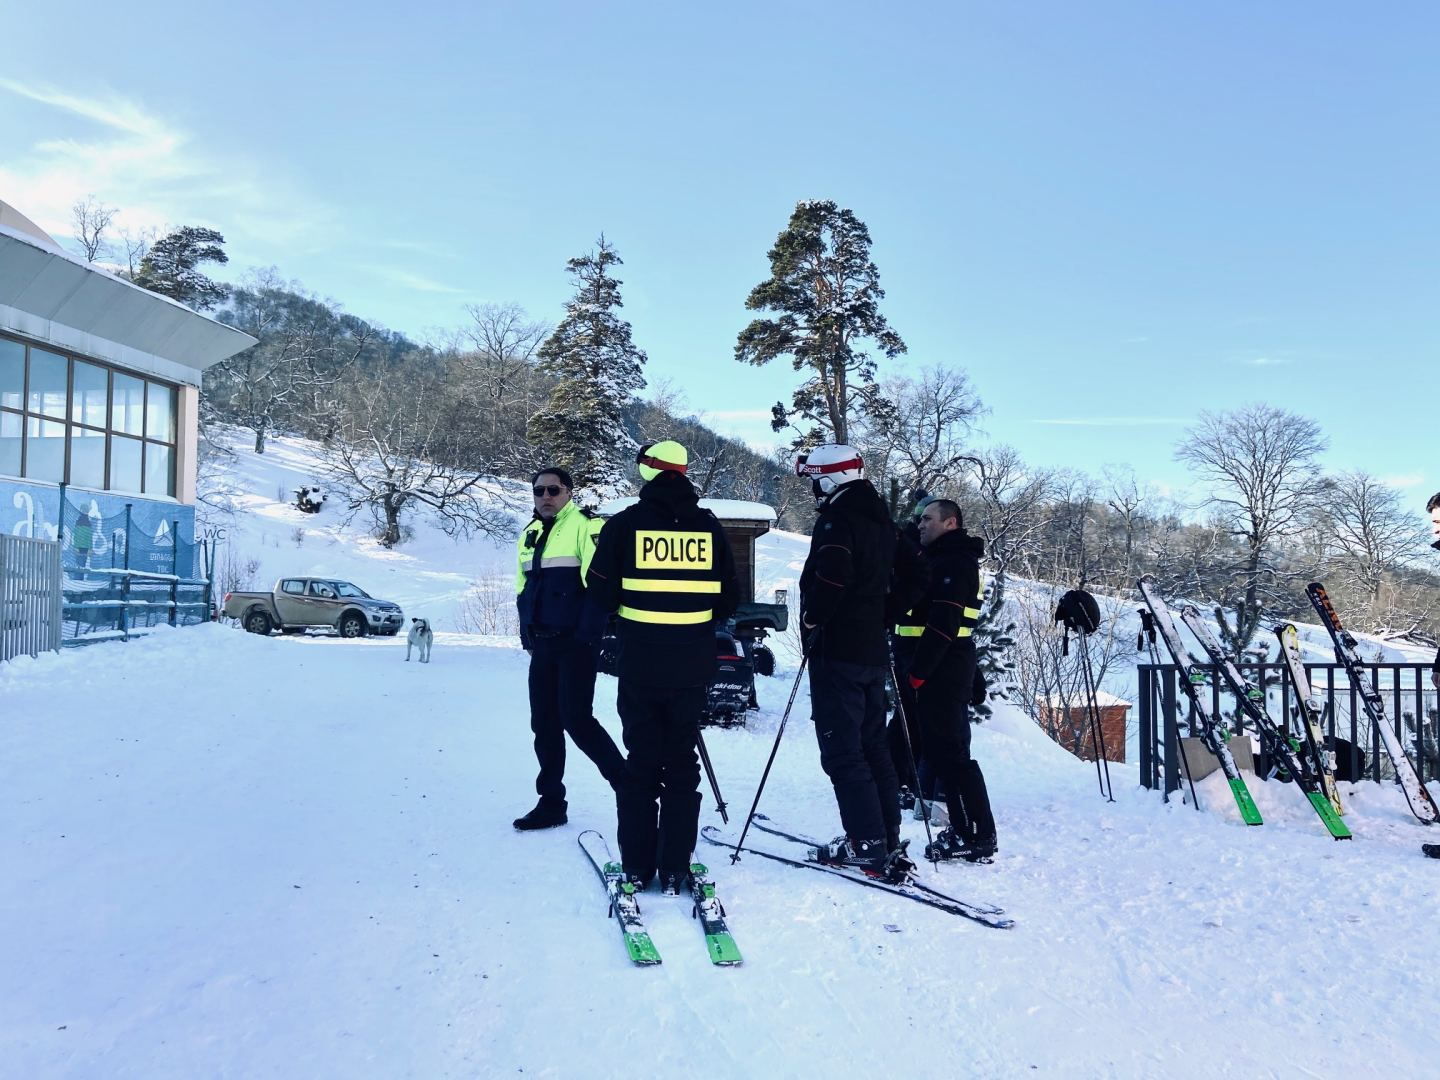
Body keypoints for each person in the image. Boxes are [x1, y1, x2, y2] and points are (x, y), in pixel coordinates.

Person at [586, 441, 739, 893]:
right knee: (680, 764)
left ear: (647, 472)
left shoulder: (625, 525)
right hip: (691, 666)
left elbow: (599, 592)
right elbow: (728, 598)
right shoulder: (709, 528)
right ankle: (675, 863)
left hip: (641, 664)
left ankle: (637, 865)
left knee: (641, 764)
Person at [796, 443, 926, 883]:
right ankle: (884, 835)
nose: (814, 489)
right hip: (871, 651)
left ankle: (866, 843)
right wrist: (884, 613)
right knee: (873, 747)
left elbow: (831, 577)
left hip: (839, 651)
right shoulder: (883, 522)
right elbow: (919, 577)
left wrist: (814, 616)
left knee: (842, 750)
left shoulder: (838, 520)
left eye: (816, 480)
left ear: (830, 479)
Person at [512, 467, 628, 831]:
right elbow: (522, 589)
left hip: (575, 644)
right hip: (542, 644)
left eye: (553, 490)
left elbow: (599, 588)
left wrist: (587, 636)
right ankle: (551, 802)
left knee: (577, 720)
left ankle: (628, 790)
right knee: (543, 724)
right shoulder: (530, 534)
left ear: (568, 493)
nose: (545, 496)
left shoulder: (585, 526)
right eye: (539, 491)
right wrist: (527, 634)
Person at [904, 499, 998, 863]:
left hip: (941, 671)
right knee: (946, 754)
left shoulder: (954, 562)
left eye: (928, 519)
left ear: (951, 522)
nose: (921, 524)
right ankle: (968, 829)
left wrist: (918, 673)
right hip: (946, 668)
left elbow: (946, 625)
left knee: (952, 756)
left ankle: (976, 833)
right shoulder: (942, 558)